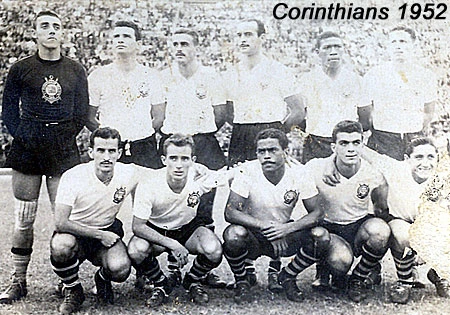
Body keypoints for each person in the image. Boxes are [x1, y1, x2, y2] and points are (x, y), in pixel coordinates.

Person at [0, 10, 90, 304]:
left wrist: (62, 136)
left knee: (64, 220)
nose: (51, 31)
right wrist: (24, 136)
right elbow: (9, 112)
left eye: (56, 26)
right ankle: (18, 281)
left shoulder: (76, 70)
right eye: (45, 26)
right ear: (35, 34)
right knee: (24, 219)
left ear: (63, 33)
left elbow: (80, 113)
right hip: (28, 147)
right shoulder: (20, 69)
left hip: (62, 150)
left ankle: (66, 282)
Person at [222, 128, 351, 303]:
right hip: (254, 234)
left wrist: (287, 228)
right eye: (262, 151)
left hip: (285, 232)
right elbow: (230, 212)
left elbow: (318, 212)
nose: (266, 156)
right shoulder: (247, 171)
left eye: (273, 150)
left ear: (285, 151)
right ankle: (242, 281)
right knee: (233, 234)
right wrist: (267, 227)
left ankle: (287, 276)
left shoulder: (299, 173)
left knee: (320, 236)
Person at [49, 127, 150, 314]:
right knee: (61, 246)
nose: (106, 156)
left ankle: (102, 279)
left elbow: (160, 173)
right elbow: (60, 222)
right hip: (75, 233)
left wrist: (197, 169)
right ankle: (73, 289)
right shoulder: (73, 176)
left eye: (112, 151)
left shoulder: (129, 172)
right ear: (90, 152)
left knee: (120, 269)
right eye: (100, 150)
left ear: (119, 153)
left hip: (107, 230)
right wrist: (99, 235)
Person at [157, 28, 228, 288]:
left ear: (196, 47)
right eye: (174, 43)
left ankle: (203, 270)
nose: (179, 48)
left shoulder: (210, 76)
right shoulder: (163, 77)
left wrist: (199, 138)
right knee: (173, 206)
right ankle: (175, 265)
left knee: (204, 207)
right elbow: (158, 114)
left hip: (203, 143)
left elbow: (220, 114)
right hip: (173, 145)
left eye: (185, 43)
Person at [127, 134, 225, 306]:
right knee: (136, 249)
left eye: (184, 158)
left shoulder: (200, 176)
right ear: (164, 160)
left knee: (214, 250)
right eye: (173, 158)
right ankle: (161, 283)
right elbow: (138, 226)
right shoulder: (149, 183)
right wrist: (173, 244)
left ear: (192, 160)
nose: (179, 165)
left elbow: (230, 175)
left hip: (187, 229)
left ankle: (192, 280)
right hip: (157, 229)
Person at [307, 120, 391, 302]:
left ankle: (359, 277)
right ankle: (326, 269)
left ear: (363, 145)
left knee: (381, 230)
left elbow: (381, 208)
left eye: (356, 143)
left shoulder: (373, 173)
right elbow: (290, 172)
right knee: (340, 262)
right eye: (343, 143)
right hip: (330, 228)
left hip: (358, 225)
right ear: (333, 147)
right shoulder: (317, 167)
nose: (350, 149)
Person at [225, 19, 304, 167]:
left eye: (248, 34)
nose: (242, 39)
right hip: (240, 133)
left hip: (271, 131)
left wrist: (277, 130)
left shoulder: (279, 70)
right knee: (238, 180)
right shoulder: (231, 73)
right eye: (239, 35)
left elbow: (298, 111)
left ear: (262, 38)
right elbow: (229, 113)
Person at [88, 20, 165, 169]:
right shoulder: (98, 76)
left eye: (127, 36)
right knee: (111, 191)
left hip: (144, 147)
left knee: (145, 191)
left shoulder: (151, 76)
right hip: (111, 148)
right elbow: (89, 118)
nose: (121, 40)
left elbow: (159, 117)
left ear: (138, 44)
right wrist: (109, 137)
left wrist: (139, 132)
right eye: (116, 36)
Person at [359, 26, 437, 160]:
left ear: (413, 45)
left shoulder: (426, 76)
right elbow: (365, 113)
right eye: (393, 42)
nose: (398, 46)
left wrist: (415, 130)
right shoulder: (374, 74)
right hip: (383, 140)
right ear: (387, 47)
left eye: (403, 41)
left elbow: (428, 112)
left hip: (414, 138)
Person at [299, 31, 363, 164]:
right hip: (317, 142)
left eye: (337, 47)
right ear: (318, 52)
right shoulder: (306, 81)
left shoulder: (356, 80)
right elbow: (299, 115)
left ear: (343, 50)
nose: (333, 51)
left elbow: (365, 117)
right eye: (327, 48)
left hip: (347, 143)